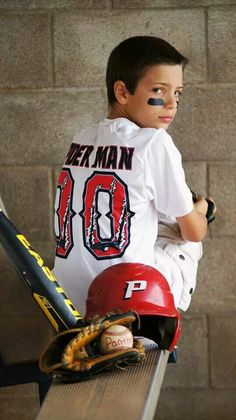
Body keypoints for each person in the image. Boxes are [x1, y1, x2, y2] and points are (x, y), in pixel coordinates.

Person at [53, 36, 216, 316]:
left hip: (68, 300)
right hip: (124, 302)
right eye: (158, 90)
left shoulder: (82, 137)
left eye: (178, 93)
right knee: (188, 230)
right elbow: (193, 231)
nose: (171, 103)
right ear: (122, 92)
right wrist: (202, 208)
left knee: (155, 212)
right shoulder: (155, 142)